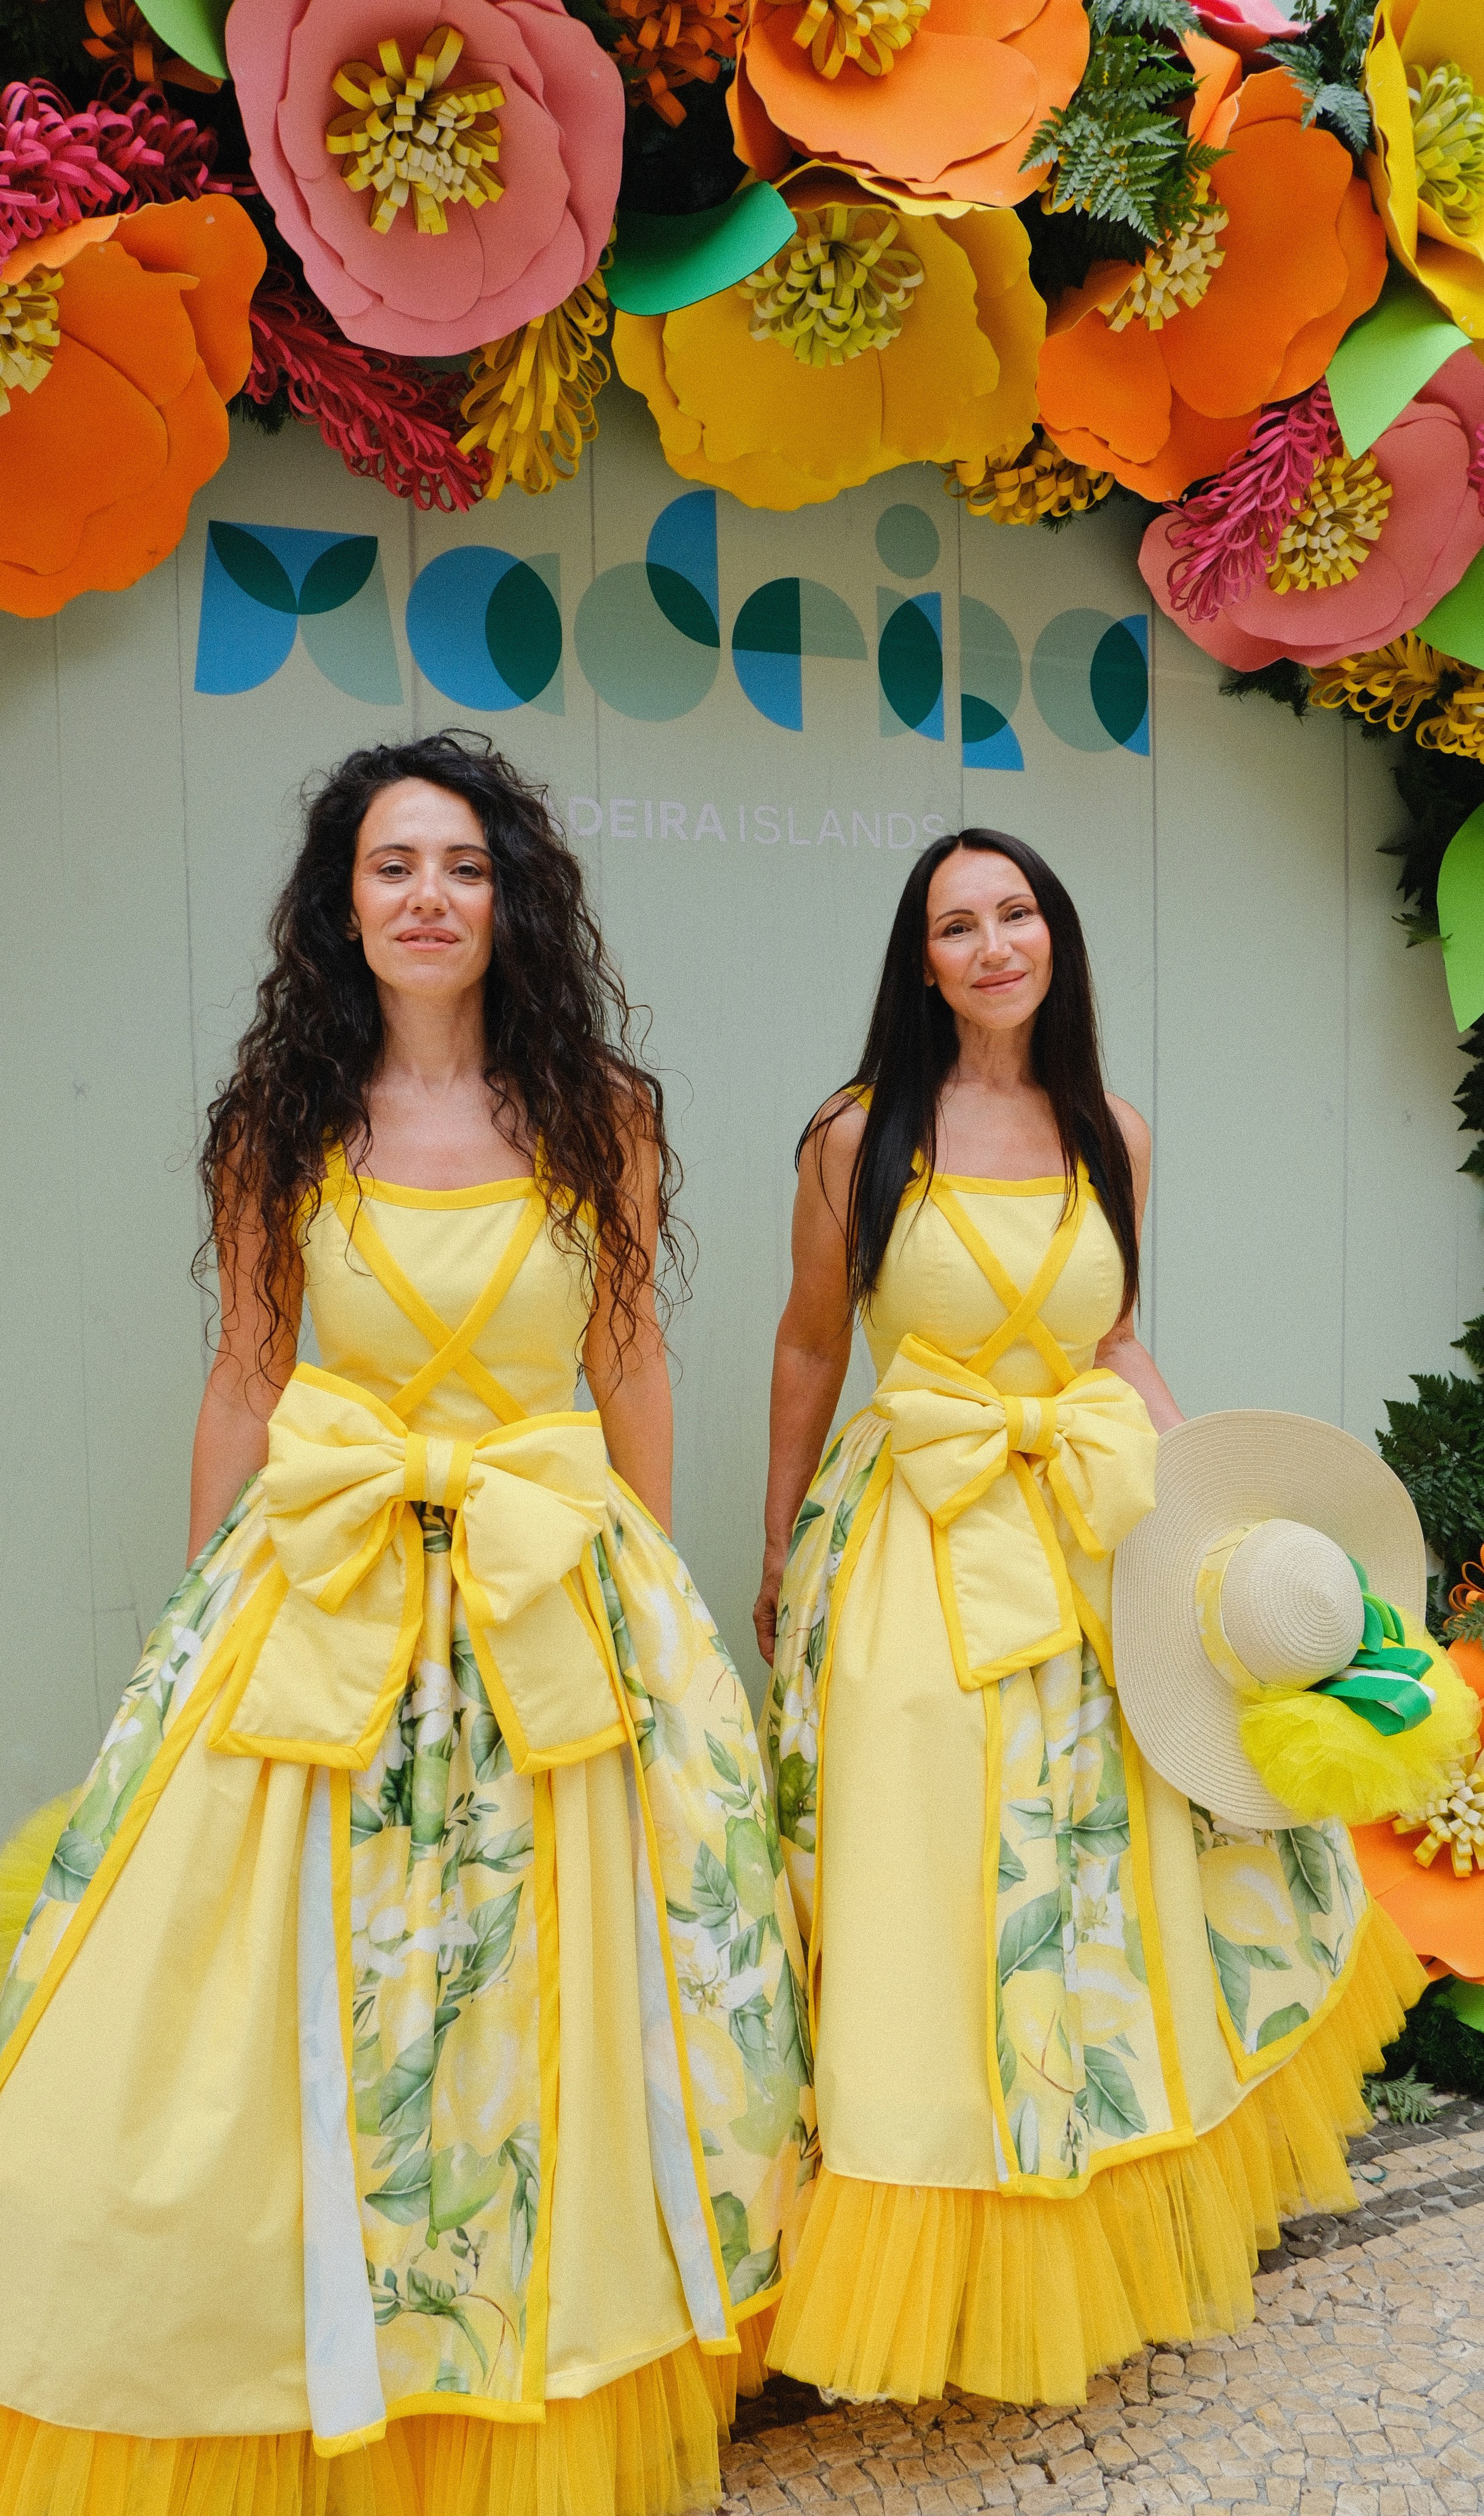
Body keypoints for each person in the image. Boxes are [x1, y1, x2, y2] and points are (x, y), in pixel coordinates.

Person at [0, 733, 813, 2516]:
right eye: (393, 866)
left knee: (567, 1986)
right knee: (295, 1983)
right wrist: (200, 1605)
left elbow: (628, 1360)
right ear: (342, 904)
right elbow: (247, 1374)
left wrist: (650, 1594)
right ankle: (277, 2339)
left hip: (548, 1583)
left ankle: (561, 2336)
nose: (429, 896)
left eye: (463, 865)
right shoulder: (281, 1121)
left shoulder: (601, 1112)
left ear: (511, 899)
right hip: (328, 1585)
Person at [754, 827, 1426, 2409]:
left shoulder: (1110, 1129)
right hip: (912, 1533)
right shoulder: (854, 1133)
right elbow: (808, 1343)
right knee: (926, 1856)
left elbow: (1117, 1337)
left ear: (1052, 935)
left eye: (1016, 913)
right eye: (956, 924)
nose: (991, 944)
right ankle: (929, 2198)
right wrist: (775, 1536)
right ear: (921, 962)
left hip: (1084, 1527)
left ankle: (1094, 2194)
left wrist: (1215, 1514)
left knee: (1101, 1867)